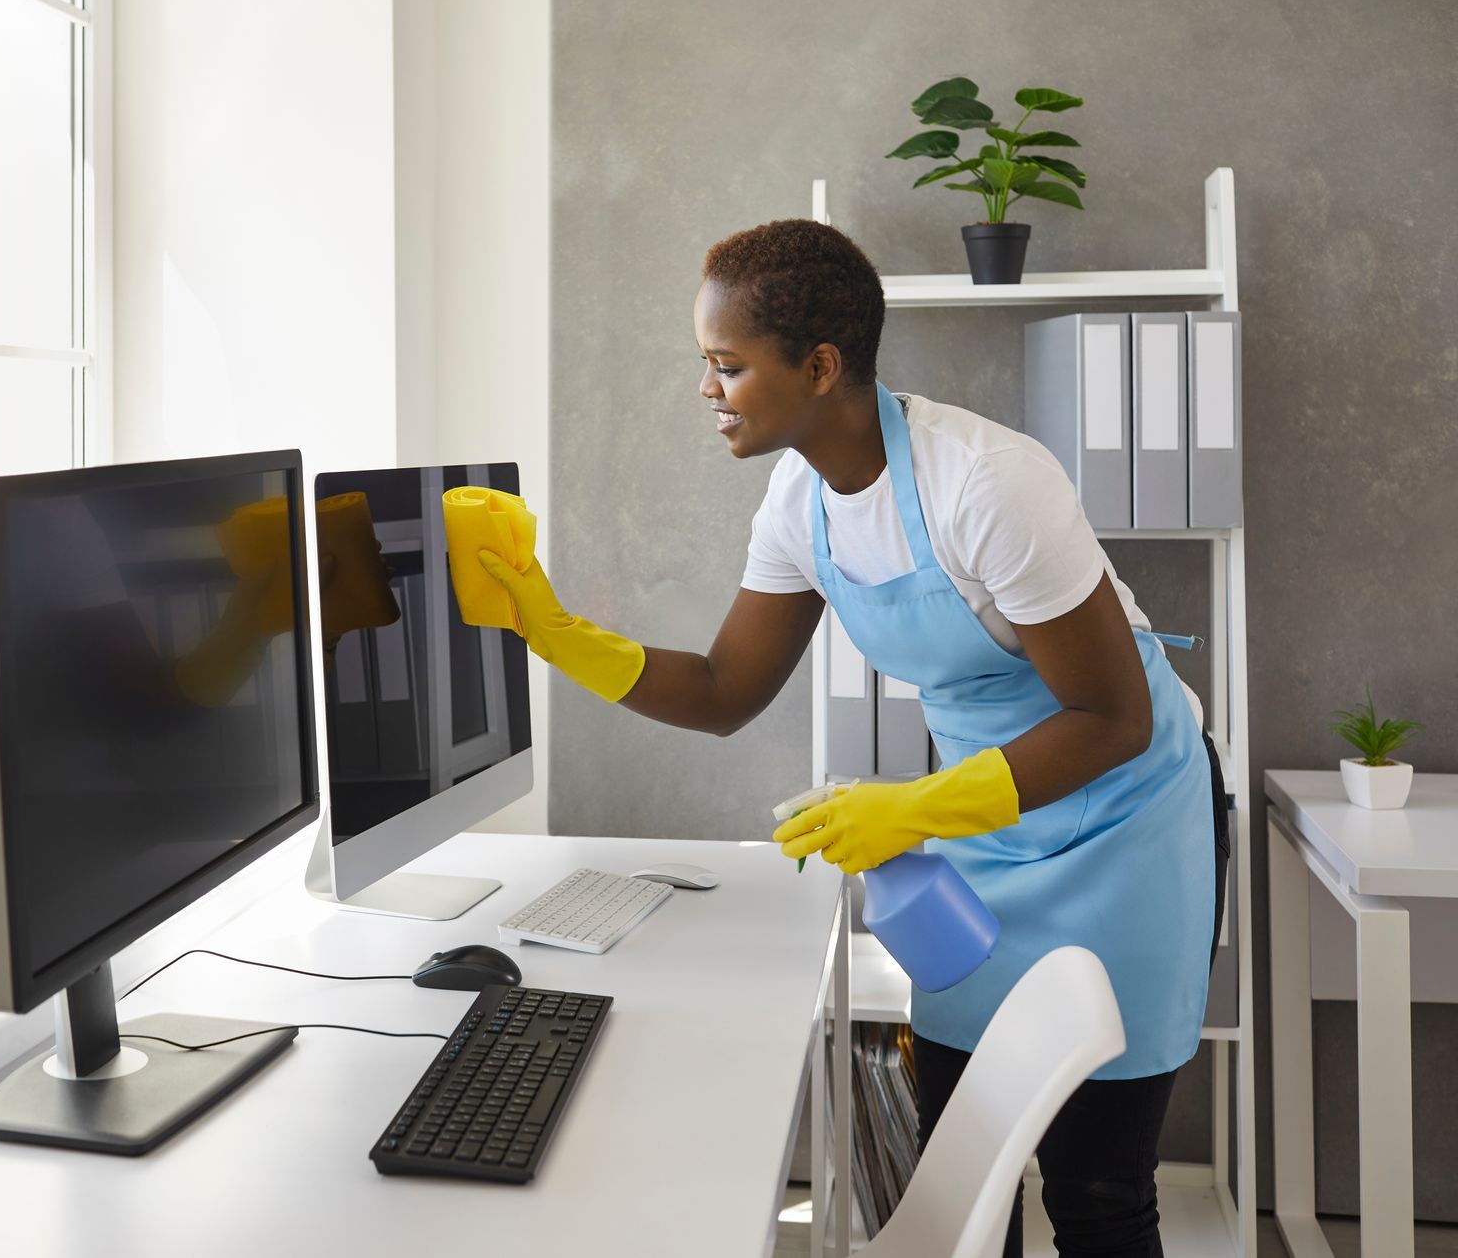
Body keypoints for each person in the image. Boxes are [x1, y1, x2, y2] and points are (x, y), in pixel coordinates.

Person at [459, 219, 1228, 1258]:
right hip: (987, 834)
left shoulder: (988, 484)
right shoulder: (798, 500)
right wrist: (552, 631)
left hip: (1126, 823)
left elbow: (1112, 720)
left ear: (819, 367)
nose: (707, 389)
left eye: (726, 365)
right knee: (970, 1171)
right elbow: (729, 688)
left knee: (1098, 1192)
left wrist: (911, 806)